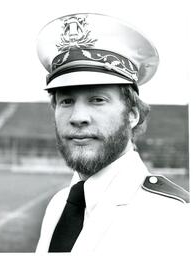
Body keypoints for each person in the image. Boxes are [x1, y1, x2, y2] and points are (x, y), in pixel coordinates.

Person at [36, 13, 190, 255]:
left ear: (133, 114)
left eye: (97, 99)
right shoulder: (58, 205)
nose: (78, 117)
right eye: (66, 101)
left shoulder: (175, 219)